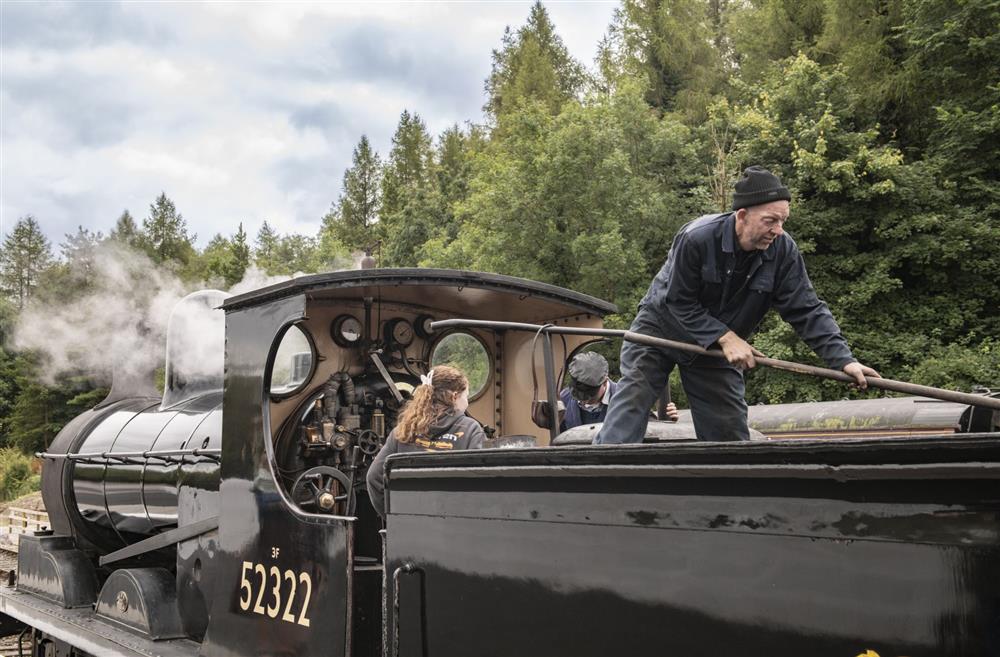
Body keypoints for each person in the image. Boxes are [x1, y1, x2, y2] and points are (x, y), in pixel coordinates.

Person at [595, 165, 880, 444]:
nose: (778, 230)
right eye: (770, 221)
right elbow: (679, 302)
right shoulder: (697, 237)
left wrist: (844, 359)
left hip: (715, 349)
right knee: (632, 400)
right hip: (660, 330)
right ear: (742, 216)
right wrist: (727, 337)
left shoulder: (784, 251)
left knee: (729, 429)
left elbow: (806, 308)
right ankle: (599, 479)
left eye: (783, 221)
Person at [366, 364, 485, 516]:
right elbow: (480, 483)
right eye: (466, 396)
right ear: (454, 396)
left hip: (409, 527)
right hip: (454, 528)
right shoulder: (471, 430)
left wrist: (394, 516)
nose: (466, 403)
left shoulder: (403, 431)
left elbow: (374, 478)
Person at [560, 351, 678, 432]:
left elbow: (652, 429)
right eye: (578, 395)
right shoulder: (564, 398)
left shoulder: (628, 398)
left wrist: (668, 422)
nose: (585, 400)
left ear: (604, 380)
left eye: (589, 395)